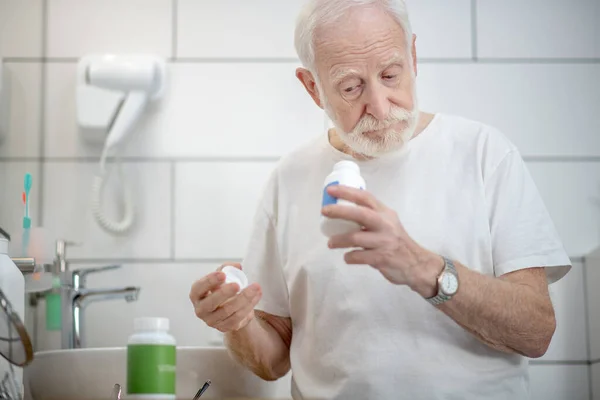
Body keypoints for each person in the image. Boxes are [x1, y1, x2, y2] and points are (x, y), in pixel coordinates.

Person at [189, 0, 572, 398]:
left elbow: (535, 331)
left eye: (391, 74)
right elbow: (272, 359)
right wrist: (237, 322)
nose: (380, 104)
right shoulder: (290, 178)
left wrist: (422, 267)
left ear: (414, 57)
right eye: (351, 86)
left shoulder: (483, 154)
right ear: (312, 87)